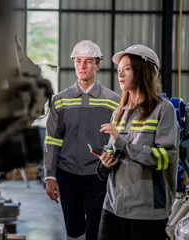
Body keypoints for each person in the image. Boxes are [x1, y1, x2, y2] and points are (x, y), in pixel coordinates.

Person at [93, 44, 179, 240]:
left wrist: (123, 143)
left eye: (127, 68)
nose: (120, 74)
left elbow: (167, 158)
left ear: (144, 70)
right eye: (118, 70)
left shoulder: (163, 110)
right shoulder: (119, 112)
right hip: (113, 206)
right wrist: (105, 162)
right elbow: (111, 149)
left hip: (146, 211)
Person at [44, 40, 120, 240]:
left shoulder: (113, 101)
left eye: (88, 62)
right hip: (68, 176)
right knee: (74, 230)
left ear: (98, 65)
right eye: (79, 61)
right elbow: (52, 140)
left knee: (96, 231)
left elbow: (119, 140)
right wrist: (50, 175)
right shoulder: (60, 100)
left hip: (99, 176)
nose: (83, 66)